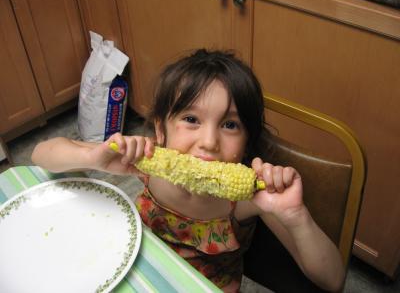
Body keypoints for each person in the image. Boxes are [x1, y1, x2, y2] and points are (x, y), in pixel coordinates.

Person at [31, 49, 344, 292]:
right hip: (138, 272)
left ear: (247, 144)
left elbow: (332, 280)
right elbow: (41, 153)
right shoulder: (147, 159)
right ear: (161, 131)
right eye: (191, 119)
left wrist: (296, 216)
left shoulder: (251, 199)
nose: (208, 142)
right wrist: (93, 159)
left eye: (230, 125)